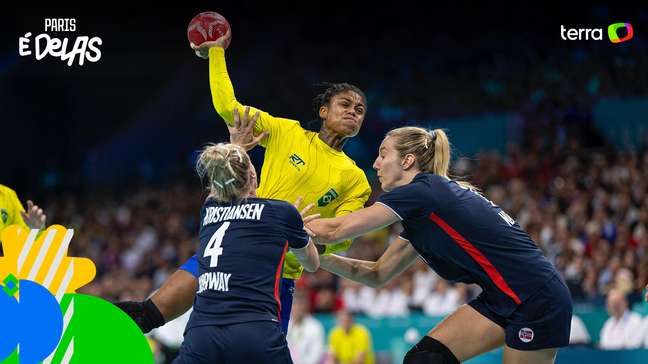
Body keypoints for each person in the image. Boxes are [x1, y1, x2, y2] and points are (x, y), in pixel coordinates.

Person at [116, 38, 371, 334]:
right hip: (231, 247)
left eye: (360, 110)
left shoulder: (355, 179)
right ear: (324, 111)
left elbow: (341, 236)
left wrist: (301, 233)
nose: (354, 111)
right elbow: (228, 108)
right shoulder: (286, 131)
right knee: (146, 315)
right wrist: (215, 53)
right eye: (345, 104)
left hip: (276, 273)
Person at [307, 126, 573, 364]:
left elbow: (335, 230)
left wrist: (283, 222)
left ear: (408, 161)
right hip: (501, 299)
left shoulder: (422, 193)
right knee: (425, 360)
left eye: (383, 154)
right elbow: (377, 274)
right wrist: (320, 257)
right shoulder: (426, 210)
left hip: (537, 299)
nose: (375, 164)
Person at [172, 142, 319, 363]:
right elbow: (312, 264)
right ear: (253, 174)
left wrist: (235, 147)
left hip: (201, 333)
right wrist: (298, 228)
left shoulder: (208, 209)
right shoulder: (281, 211)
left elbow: (222, 184)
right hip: (254, 329)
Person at [286, 293, 325, 364]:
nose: (297, 310)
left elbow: (316, 354)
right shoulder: (286, 325)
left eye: (300, 307)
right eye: (295, 306)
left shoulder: (315, 326)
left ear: (305, 308)